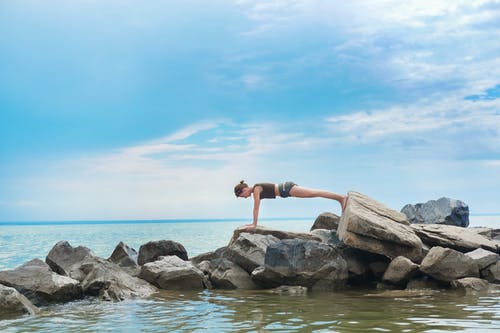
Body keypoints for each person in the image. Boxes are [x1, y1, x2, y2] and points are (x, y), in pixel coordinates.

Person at [234, 180, 348, 230]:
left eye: (242, 196)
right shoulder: (256, 189)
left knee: (314, 193)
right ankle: (340, 198)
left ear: (244, 189)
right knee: (314, 193)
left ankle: (341, 198)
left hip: (287, 189)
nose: (244, 198)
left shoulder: (256, 189)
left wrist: (254, 224)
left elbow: (256, 208)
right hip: (286, 190)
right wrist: (253, 223)